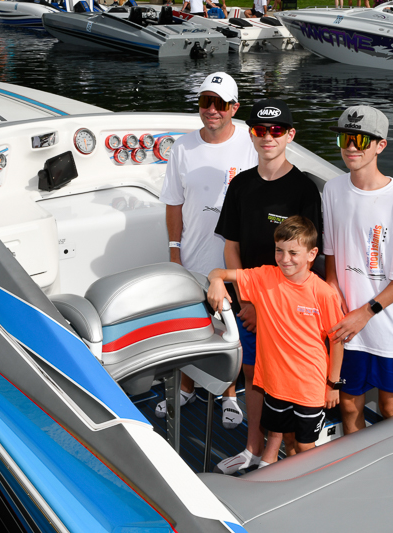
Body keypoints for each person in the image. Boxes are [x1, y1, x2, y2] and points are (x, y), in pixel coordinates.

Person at [211, 99, 324, 475]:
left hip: (289, 307)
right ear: (251, 135)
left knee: (283, 377)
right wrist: (248, 302)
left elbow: (308, 257)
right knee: (252, 373)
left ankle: (285, 454)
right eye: (260, 130)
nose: (268, 137)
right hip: (249, 301)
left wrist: (272, 307)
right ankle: (252, 448)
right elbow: (231, 245)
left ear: (290, 135)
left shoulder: (304, 190)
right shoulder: (241, 185)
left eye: (277, 130)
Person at [156, 72, 257, 425]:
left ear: (234, 108)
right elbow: (173, 203)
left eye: (220, 104)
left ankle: (228, 394)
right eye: (205, 102)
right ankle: (186, 388)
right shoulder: (182, 147)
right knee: (192, 328)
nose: (212, 110)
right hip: (193, 257)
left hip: (236, 259)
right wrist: (174, 252)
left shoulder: (251, 141)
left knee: (230, 331)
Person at [207, 216, 345, 467]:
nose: (284, 259)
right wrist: (216, 281)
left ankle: (308, 481)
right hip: (274, 384)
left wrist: (333, 384)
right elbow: (219, 272)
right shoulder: (265, 277)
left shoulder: (324, 293)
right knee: (287, 439)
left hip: (309, 386)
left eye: (293, 252)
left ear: (312, 254)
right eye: (279, 250)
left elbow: (337, 340)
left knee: (305, 447)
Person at [322, 106, 393, 435]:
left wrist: (364, 314)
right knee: (349, 403)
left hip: (388, 325)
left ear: (381, 145)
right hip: (346, 323)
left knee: (391, 407)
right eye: (345, 138)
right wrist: (334, 295)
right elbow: (330, 254)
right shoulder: (332, 190)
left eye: (361, 140)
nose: (351, 147)